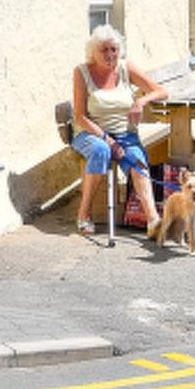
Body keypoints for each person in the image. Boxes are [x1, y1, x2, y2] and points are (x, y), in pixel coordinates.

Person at [69, 26, 164, 237]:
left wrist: (140, 101)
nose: (110, 54)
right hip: (91, 133)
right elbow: (80, 117)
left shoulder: (124, 68)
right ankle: (84, 215)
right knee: (101, 151)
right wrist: (107, 139)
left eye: (114, 49)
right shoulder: (82, 72)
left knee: (138, 161)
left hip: (125, 134)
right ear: (93, 52)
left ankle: (153, 220)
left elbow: (161, 91)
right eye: (104, 50)